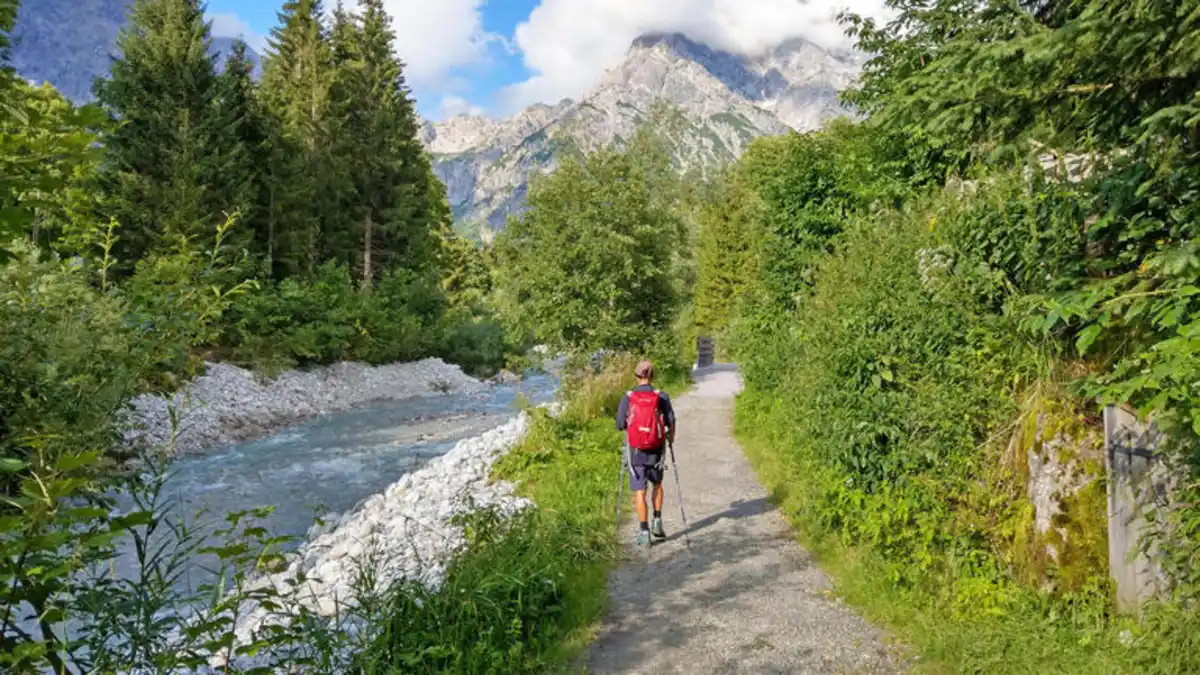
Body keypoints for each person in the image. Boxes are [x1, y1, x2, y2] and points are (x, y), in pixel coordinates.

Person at [615, 359, 676, 547]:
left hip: (636, 452)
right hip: (656, 450)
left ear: (636, 376)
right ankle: (657, 521)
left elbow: (620, 424)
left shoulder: (628, 397)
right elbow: (671, 422)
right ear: (652, 376)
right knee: (657, 484)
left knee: (640, 491)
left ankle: (644, 532)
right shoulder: (661, 396)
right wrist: (670, 439)